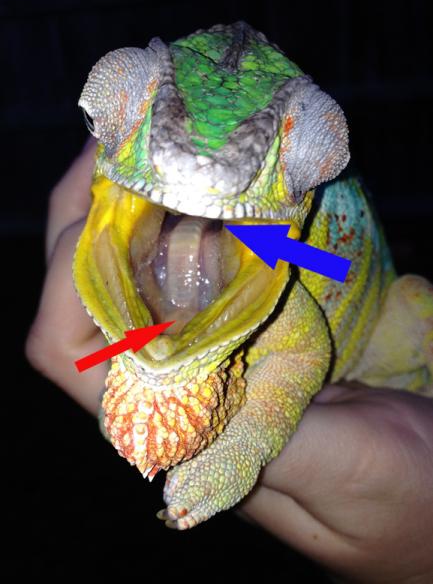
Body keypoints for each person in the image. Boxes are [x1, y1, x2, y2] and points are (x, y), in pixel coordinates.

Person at [26, 140, 433, 584]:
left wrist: (246, 444)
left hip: (384, 348)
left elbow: (301, 350)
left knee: (417, 300)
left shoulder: (257, 260)